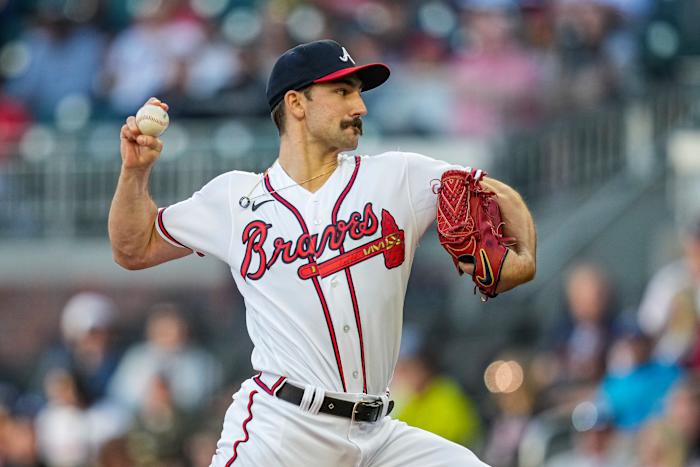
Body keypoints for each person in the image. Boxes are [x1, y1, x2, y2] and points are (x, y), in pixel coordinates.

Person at [108, 39, 536, 466]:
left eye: (358, 93)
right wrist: (135, 172)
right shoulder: (235, 199)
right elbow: (133, 247)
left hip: (379, 433)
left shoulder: (397, 177)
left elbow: (488, 190)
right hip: (284, 429)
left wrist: (525, 258)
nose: (360, 107)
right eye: (342, 92)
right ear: (296, 103)